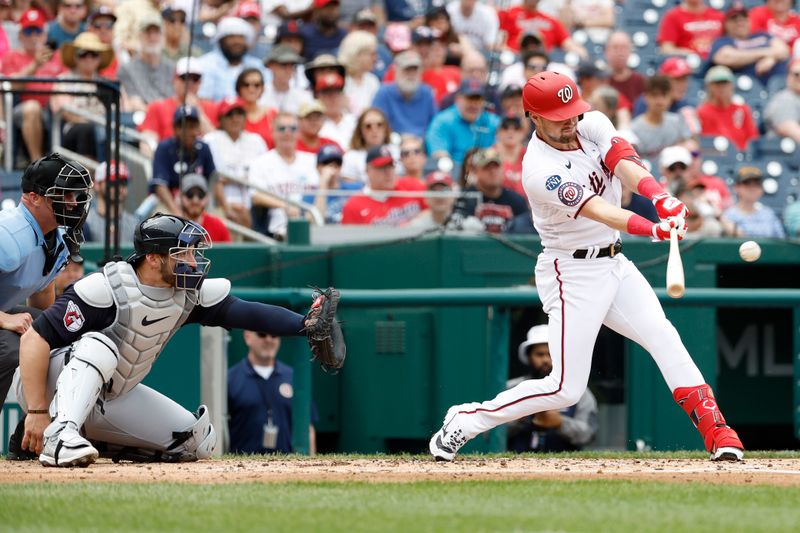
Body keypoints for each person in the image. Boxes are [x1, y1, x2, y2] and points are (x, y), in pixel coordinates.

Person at [429, 71, 745, 463]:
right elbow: (598, 209)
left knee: (664, 337)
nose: (569, 121)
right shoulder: (538, 170)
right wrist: (652, 228)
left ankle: (718, 431)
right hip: (571, 271)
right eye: (558, 115)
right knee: (565, 389)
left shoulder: (590, 122)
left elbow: (624, 162)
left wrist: (660, 197)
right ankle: (466, 418)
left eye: (571, 111)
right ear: (533, 116)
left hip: (614, 261)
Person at [12, 212, 343, 467]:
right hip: (48, 386)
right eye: (182, 254)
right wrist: (38, 411)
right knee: (101, 346)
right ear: (154, 258)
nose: (192, 262)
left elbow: (244, 312)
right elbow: (35, 339)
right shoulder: (104, 288)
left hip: (111, 396)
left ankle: (78, 439)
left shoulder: (186, 294)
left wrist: (304, 324)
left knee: (195, 442)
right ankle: (58, 435)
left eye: (192, 253)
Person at [0, 154, 92, 417]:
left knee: (69, 336)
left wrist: (53, 333)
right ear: (34, 197)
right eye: (63, 195)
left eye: (75, 195)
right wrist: (4, 318)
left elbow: (41, 290)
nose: (73, 203)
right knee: (9, 345)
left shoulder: (57, 235)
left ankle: (41, 432)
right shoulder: (8, 234)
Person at [506, 325, 598, 453]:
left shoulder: (578, 390)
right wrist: (517, 418)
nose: (545, 360)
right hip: (512, 466)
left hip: (567, 467)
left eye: (551, 354)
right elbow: (488, 434)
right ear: (529, 356)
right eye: (539, 354)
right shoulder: (511, 388)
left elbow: (589, 433)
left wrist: (560, 423)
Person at [228, 330, 318, 454]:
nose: (269, 340)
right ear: (247, 337)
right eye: (262, 334)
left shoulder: (294, 378)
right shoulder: (230, 379)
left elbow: (307, 428)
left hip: (288, 468)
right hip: (241, 468)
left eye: (274, 335)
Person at [0, 9, 65, 162]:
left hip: (54, 108)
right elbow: (10, 86)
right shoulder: (11, 57)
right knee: (32, 108)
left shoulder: (57, 57)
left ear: (44, 34)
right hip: (19, 109)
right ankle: (38, 163)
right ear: (20, 35)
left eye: (38, 30)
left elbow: (65, 79)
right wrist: (35, 65)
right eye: (28, 30)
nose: (33, 36)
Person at [248, 112, 320, 239]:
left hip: (314, 226)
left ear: (298, 133)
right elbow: (256, 196)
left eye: (292, 129)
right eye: (281, 128)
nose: (287, 133)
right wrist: (286, 206)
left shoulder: (312, 161)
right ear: (273, 132)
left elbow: (323, 191)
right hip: (278, 231)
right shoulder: (260, 162)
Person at [203, 96, 268, 228]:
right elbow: (210, 178)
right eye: (230, 114)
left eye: (239, 114)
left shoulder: (256, 141)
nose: (235, 119)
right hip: (217, 206)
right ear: (221, 119)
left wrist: (227, 178)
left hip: (254, 206)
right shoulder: (210, 140)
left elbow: (265, 176)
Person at [50, 32, 114, 160]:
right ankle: (88, 177)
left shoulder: (108, 83)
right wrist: (97, 124)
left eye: (94, 54)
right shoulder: (63, 80)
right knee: (88, 131)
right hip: (75, 131)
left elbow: (122, 109)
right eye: (83, 54)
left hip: (106, 128)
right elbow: (67, 112)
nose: (88, 58)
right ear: (75, 57)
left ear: (100, 58)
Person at [138, 58, 219, 156]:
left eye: (195, 78)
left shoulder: (211, 107)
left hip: (201, 164)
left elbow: (217, 145)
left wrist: (198, 111)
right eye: (185, 78)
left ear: (200, 82)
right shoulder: (157, 106)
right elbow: (147, 142)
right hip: (169, 161)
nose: (190, 83)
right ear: (174, 79)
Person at [151, 106, 217, 215]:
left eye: (192, 127)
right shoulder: (164, 148)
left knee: (218, 221)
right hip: (169, 203)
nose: (188, 132)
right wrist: (176, 212)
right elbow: (160, 185)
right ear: (175, 128)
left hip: (198, 203)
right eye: (183, 127)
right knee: (161, 222)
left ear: (198, 128)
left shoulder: (204, 148)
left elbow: (213, 180)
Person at [341, 145, 427, 225]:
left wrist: (413, 224)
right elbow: (349, 239)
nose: (388, 172)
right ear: (367, 171)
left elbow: (436, 210)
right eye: (382, 167)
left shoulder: (411, 185)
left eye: (391, 166)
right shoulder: (353, 206)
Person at [451, 148, 529, 233]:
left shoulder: (517, 200)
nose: (493, 171)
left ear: (503, 169)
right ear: (476, 171)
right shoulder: (464, 198)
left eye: (496, 167)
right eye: (487, 167)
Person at [709, 4, 789, 86]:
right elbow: (724, 58)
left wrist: (772, 59)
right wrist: (766, 55)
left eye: (744, 19)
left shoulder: (762, 35)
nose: (740, 23)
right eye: (734, 19)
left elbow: (783, 50)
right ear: (726, 24)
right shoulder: (722, 41)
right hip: (743, 87)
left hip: (778, 85)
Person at [426, 80, 500, 164]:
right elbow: (439, 156)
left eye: (478, 99)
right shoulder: (443, 121)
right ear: (458, 99)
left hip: (486, 170)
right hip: (454, 172)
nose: (473, 104)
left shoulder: (493, 122)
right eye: (469, 98)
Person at [196, 16, 266, 101]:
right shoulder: (205, 64)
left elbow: (265, 98)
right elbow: (204, 100)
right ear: (221, 40)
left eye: (241, 37)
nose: (237, 41)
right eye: (231, 37)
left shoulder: (257, 65)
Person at [118, 13, 175, 114]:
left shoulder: (172, 68)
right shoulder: (127, 69)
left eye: (156, 32)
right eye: (148, 32)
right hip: (144, 118)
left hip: (171, 117)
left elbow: (177, 100)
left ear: (163, 36)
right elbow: (134, 102)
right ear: (140, 35)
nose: (152, 37)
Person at [371, 50, 437, 138]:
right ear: (396, 71)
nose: (411, 75)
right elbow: (377, 126)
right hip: (393, 143)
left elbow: (435, 125)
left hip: (423, 143)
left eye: (415, 70)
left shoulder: (426, 93)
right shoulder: (384, 93)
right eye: (406, 70)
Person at [630, 75, 694, 159]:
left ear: (670, 97)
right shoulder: (634, 129)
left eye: (664, 95)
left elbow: (692, 147)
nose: (659, 101)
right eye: (654, 95)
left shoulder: (678, 121)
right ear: (646, 97)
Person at [697, 65, 759, 151]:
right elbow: (703, 142)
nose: (721, 88)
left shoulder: (742, 110)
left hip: (742, 156)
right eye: (717, 84)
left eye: (725, 83)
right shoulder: (702, 111)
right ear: (709, 86)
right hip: (715, 156)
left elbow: (753, 140)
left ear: (731, 85)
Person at [498, 0, 587, 57]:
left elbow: (570, 44)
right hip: (516, 62)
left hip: (545, 66)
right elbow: (495, 44)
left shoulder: (550, 21)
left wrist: (581, 53)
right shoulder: (508, 14)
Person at [83, 160, 139, 244]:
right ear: (97, 184)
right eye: (113, 182)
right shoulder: (85, 224)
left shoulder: (135, 225)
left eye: (123, 182)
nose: (119, 186)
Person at [721, 167, 786, 238]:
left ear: (762, 189)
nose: (752, 188)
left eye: (757, 184)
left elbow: (781, 240)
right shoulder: (728, 215)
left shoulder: (769, 215)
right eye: (747, 184)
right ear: (737, 187)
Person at [657, 0, 724, 59]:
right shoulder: (672, 17)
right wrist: (688, 55)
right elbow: (666, 49)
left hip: (716, 62)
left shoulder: (719, 16)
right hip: (688, 64)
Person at [341, 107, 392, 183]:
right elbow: (350, 190)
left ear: (386, 128)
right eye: (368, 126)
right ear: (360, 131)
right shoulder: (351, 157)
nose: (374, 130)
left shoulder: (396, 151)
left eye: (379, 125)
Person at [314, 144, 361, 224]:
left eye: (337, 163)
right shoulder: (311, 194)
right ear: (318, 167)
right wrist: (323, 183)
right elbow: (315, 222)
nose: (333, 167)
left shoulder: (355, 188)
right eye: (327, 163)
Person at [179, 174, 232, 243]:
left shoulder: (218, 226)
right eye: (190, 194)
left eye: (201, 195)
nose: (195, 200)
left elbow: (227, 252)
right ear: (181, 196)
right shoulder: (172, 228)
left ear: (207, 197)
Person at [338, 30, 380, 116]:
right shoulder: (339, 80)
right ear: (356, 55)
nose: (375, 59)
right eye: (372, 54)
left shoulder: (373, 81)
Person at [261, 45, 312, 115]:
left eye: (292, 65)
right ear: (271, 66)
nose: (288, 70)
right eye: (283, 65)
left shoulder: (304, 97)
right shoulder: (260, 94)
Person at [234, 68, 277, 149]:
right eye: (246, 84)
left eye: (256, 85)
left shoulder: (272, 114)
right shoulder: (230, 114)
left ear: (262, 88)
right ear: (239, 87)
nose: (251, 89)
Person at [316, 72, 357, 149]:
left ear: (343, 96)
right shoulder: (315, 124)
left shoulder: (354, 121)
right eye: (327, 94)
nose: (332, 99)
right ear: (319, 97)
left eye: (336, 93)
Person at [605, 32, 646, 106]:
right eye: (615, 47)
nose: (620, 52)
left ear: (630, 51)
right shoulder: (600, 80)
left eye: (624, 48)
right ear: (607, 51)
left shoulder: (640, 81)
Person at [764, 61, 800, 141]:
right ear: (788, 77)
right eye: (796, 74)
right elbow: (789, 129)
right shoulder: (784, 99)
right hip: (781, 150)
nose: (799, 78)